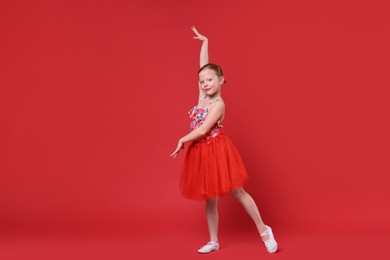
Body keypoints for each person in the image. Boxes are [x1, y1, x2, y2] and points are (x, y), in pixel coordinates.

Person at [170, 26, 278, 254]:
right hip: (201, 152)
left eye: (210, 80)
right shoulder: (201, 96)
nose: (205, 83)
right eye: (202, 81)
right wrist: (205, 43)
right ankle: (213, 241)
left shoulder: (219, 104)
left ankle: (264, 230)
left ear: (221, 80)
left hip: (217, 150)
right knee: (210, 198)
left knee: (238, 191)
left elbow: (202, 131)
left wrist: (182, 139)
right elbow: (203, 67)